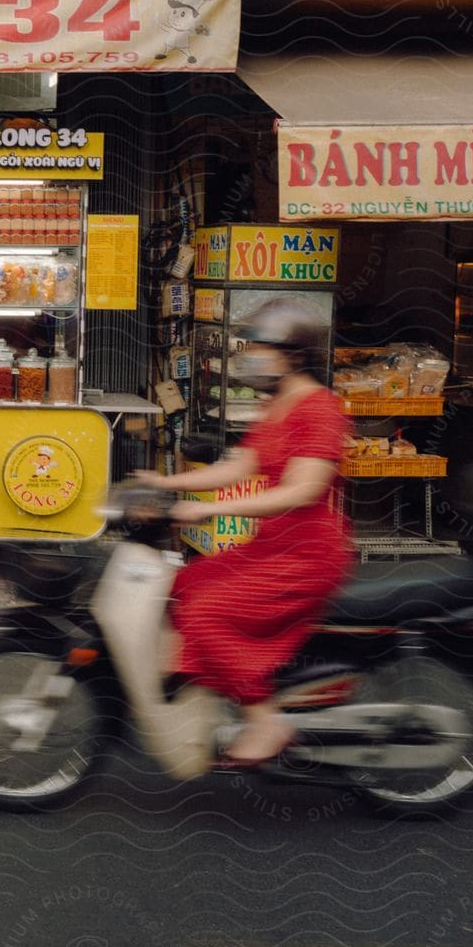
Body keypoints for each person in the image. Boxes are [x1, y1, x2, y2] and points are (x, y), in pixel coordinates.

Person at [131, 297, 351, 764]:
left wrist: (203, 512)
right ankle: (204, 680)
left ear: (292, 355)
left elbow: (301, 491)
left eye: (260, 346)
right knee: (184, 584)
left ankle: (264, 720)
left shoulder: (320, 410)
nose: (249, 354)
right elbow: (238, 467)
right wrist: (167, 483)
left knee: (209, 612)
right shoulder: (277, 405)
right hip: (273, 546)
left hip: (307, 556)